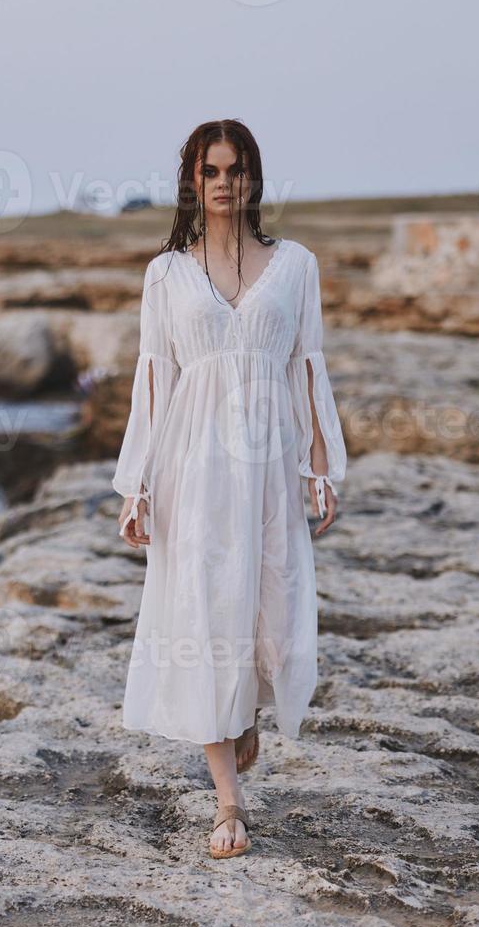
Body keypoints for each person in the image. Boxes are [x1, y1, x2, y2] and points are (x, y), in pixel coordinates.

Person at [112, 119, 347, 860]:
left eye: (236, 169)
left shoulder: (296, 265)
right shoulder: (166, 274)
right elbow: (153, 382)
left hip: (270, 463)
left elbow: (308, 367)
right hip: (195, 464)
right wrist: (136, 486)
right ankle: (227, 802)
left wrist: (322, 465)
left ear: (253, 178)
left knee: (267, 605)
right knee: (205, 612)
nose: (223, 183)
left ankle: (245, 714)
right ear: (193, 180)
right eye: (211, 171)